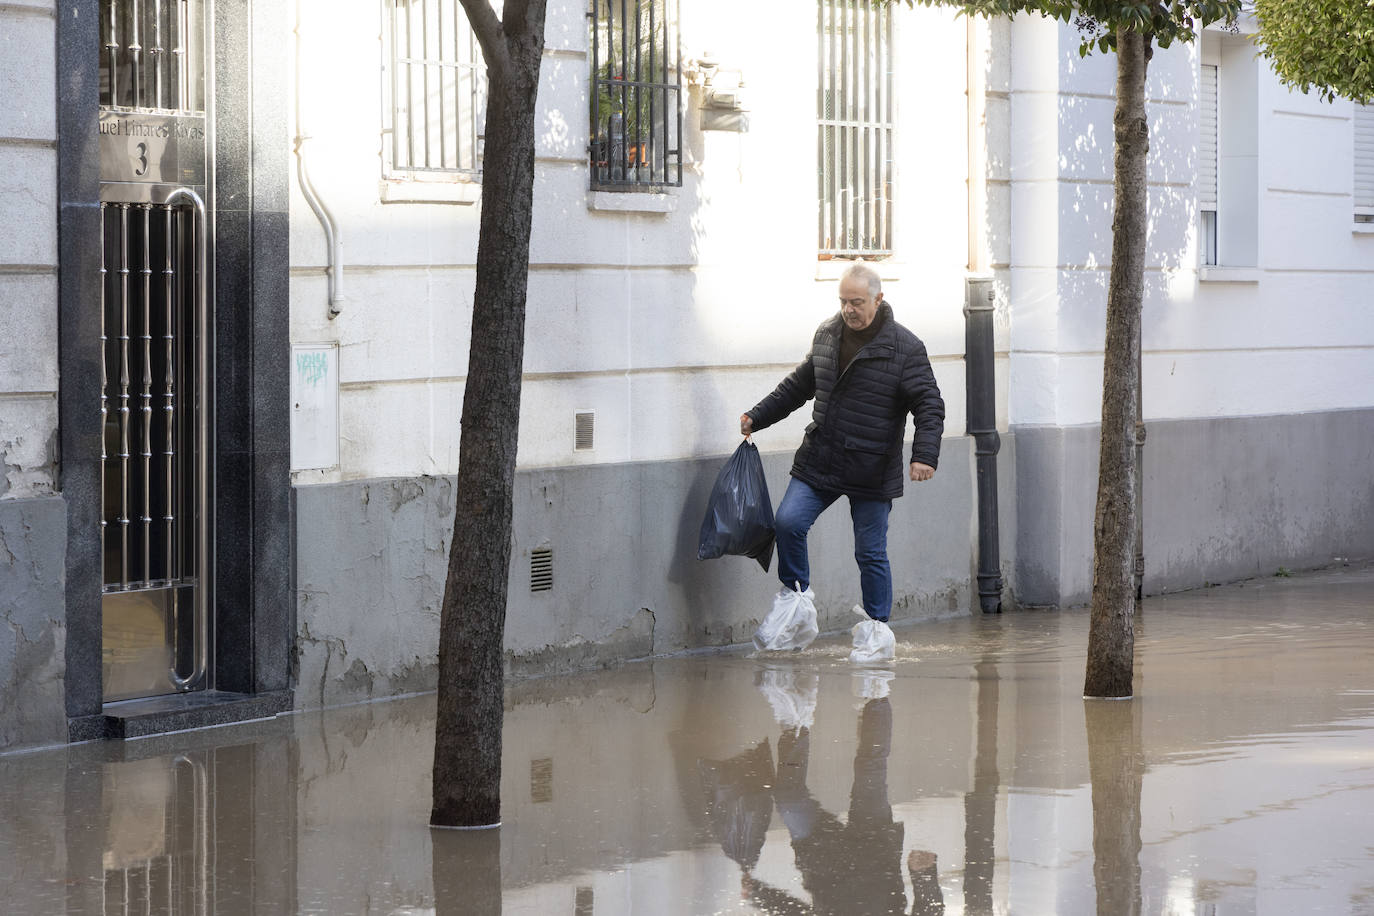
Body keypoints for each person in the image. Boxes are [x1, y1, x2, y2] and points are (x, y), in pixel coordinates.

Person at [741, 262, 944, 659]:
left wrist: (924, 455)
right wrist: (757, 416)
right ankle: (798, 606)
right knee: (788, 522)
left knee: (869, 552)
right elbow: (799, 385)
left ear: (878, 299)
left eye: (857, 302)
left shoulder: (905, 348)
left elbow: (929, 404)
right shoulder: (828, 334)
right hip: (823, 458)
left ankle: (875, 633)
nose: (849, 309)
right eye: (843, 301)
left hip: (872, 466)